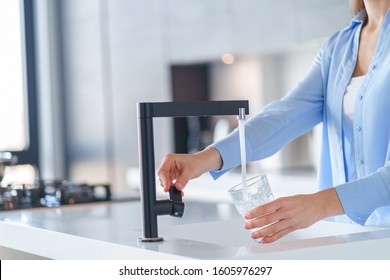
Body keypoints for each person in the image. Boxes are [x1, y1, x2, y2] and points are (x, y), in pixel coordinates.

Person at [157, 0, 390, 244]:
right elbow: (283, 117)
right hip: (345, 235)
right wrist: (203, 159)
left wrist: (319, 204)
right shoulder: (337, 48)